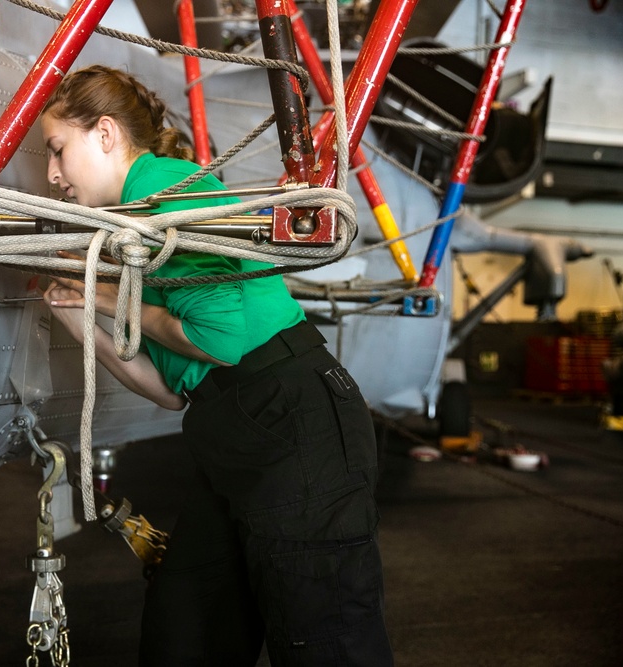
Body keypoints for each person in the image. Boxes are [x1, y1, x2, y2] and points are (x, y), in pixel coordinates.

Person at [41, 65, 393, 667]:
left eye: (57, 150)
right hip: (233, 428)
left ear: (104, 134)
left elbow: (220, 339)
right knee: (187, 631)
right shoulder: (136, 226)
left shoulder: (171, 194)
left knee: (323, 640)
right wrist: (78, 315)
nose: (52, 175)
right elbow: (171, 390)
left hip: (294, 422)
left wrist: (105, 298)